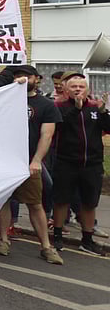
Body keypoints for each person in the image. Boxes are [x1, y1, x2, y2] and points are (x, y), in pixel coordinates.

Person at [0, 66, 63, 264]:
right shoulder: (4, 99)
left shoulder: (46, 105)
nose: (22, 79)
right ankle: (3, 240)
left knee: (35, 203)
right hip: (4, 160)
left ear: (36, 79)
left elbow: (46, 135)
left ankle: (46, 246)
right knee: (4, 201)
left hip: (28, 161)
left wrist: (37, 160)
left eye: (27, 76)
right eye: (17, 76)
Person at [50, 72, 110, 255]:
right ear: (66, 89)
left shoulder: (95, 107)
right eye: (74, 87)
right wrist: (76, 109)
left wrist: (104, 112)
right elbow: (59, 126)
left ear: (87, 89)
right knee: (62, 200)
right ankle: (57, 236)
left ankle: (87, 239)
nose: (78, 89)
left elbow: (107, 128)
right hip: (66, 161)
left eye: (81, 87)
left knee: (89, 203)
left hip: (92, 163)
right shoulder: (59, 106)